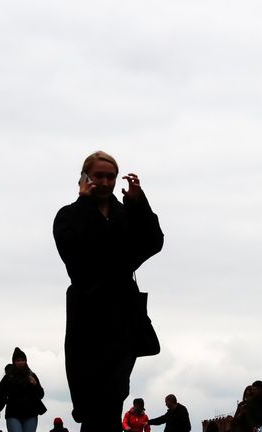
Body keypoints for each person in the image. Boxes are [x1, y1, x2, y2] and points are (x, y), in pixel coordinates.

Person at [53, 150, 164, 432]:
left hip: (122, 317)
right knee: (90, 399)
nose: (105, 182)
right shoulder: (68, 216)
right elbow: (74, 251)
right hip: (87, 318)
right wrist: (84, 202)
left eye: (110, 176)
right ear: (85, 178)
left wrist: (140, 204)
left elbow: (153, 242)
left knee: (115, 394)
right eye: (98, 176)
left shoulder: (126, 215)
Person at [0, 348, 46, 432]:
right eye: (18, 360)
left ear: (26, 361)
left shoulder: (32, 376)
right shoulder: (7, 378)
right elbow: (0, 397)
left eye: (23, 360)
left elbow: (41, 394)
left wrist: (35, 385)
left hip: (30, 414)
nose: (21, 362)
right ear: (14, 362)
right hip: (13, 414)